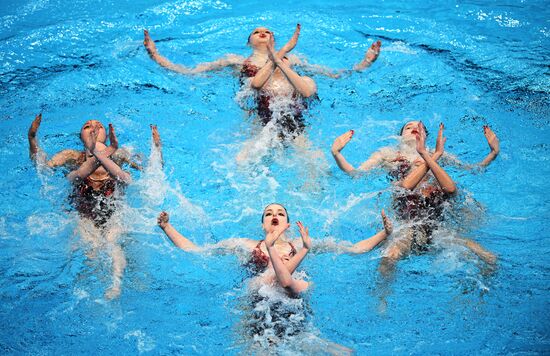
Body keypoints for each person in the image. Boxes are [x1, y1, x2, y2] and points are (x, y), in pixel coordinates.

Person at [157, 203, 392, 351]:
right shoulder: (245, 245)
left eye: (280, 213)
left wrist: (385, 233)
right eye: (269, 214)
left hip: (292, 303)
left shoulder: (301, 243)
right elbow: (196, 250)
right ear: (263, 224)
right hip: (258, 305)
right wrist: (167, 228)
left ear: (288, 223)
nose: (274, 216)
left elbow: (354, 248)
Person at [143, 25, 381, 140]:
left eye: (268, 31)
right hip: (260, 117)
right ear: (249, 42)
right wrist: (156, 56)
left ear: (275, 40)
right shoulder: (236, 60)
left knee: (309, 166)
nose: (263, 33)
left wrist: (365, 62)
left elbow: (334, 75)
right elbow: (190, 72)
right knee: (245, 161)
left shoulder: (294, 59)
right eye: (257, 32)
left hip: (295, 111)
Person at [331, 121, 500, 280]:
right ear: (400, 136)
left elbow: (470, 169)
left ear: (425, 135)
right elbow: (356, 173)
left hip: (436, 220)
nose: (413, 128)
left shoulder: (439, 153)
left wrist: (492, 154)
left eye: (418, 127)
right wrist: (336, 154)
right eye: (408, 127)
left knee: (486, 256)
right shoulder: (388, 154)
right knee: (391, 254)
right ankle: (381, 301)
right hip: (407, 221)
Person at [28, 113, 162, 299]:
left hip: (114, 214)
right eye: (87, 126)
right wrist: (32, 138)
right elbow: (42, 166)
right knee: (90, 249)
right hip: (84, 215)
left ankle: (116, 285)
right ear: (80, 137)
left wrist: (157, 149)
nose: (93, 128)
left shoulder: (120, 154)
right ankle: (89, 289)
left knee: (113, 243)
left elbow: (153, 172)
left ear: (106, 136)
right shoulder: (71, 157)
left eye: (99, 126)